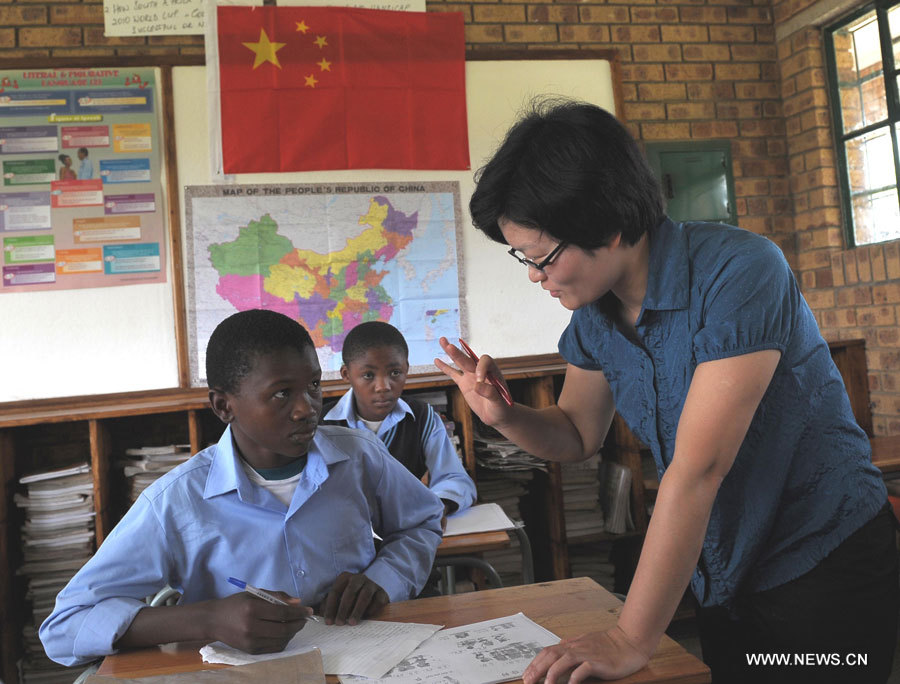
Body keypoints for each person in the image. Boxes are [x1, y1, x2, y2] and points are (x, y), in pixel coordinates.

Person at [435, 99, 898, 684]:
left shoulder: (740, 272)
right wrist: (505, 415)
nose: (534, 275)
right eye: (522, 258)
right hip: (723, 568)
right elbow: (577, 432)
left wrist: (630, 637)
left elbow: (698, 468)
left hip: (822, 562)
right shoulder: (594, 319)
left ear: (609, 223)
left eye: (543, 257)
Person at [40, 309, 443, 667]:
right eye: (282, 393)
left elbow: (422, 522)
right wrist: (208, 618)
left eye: (314, 386)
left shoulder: (358, 456)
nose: (307, 408)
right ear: (223, 406)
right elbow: (64, 627)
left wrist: (383, 578)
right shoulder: (177, 501)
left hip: (364, 663)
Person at [322, 321, 476, 529]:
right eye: (368, 375)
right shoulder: (322, 424)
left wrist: (436, 506)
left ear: (406, 369)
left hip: (405, 530)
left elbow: (454, 478)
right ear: (346, 375)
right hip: (342, 534)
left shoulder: (423, 418)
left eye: (395, 373)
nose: (383, 387)